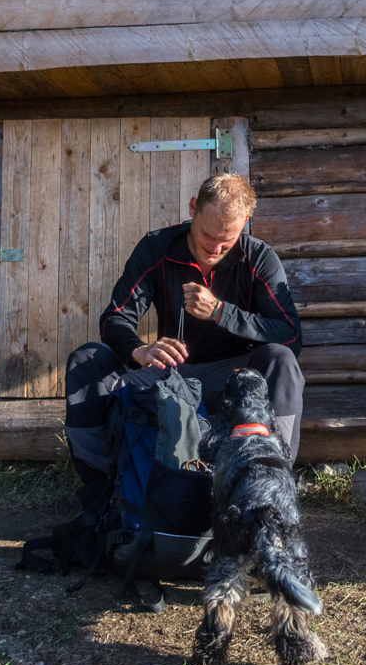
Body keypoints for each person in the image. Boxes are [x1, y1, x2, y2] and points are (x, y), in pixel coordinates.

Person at [64, 173, 304, 479]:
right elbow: (116, 317)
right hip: (168, 374)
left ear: (244, 224)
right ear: (193, 208)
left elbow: (291, 335)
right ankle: (103, 493)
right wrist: (140, 351)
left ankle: (271, 483)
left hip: (232, 378)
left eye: (227, 240)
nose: (215, 249)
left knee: (281, 360)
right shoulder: (157, 247)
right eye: (207, 235)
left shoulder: (259, 258)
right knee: (86, 360)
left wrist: (220, 312)